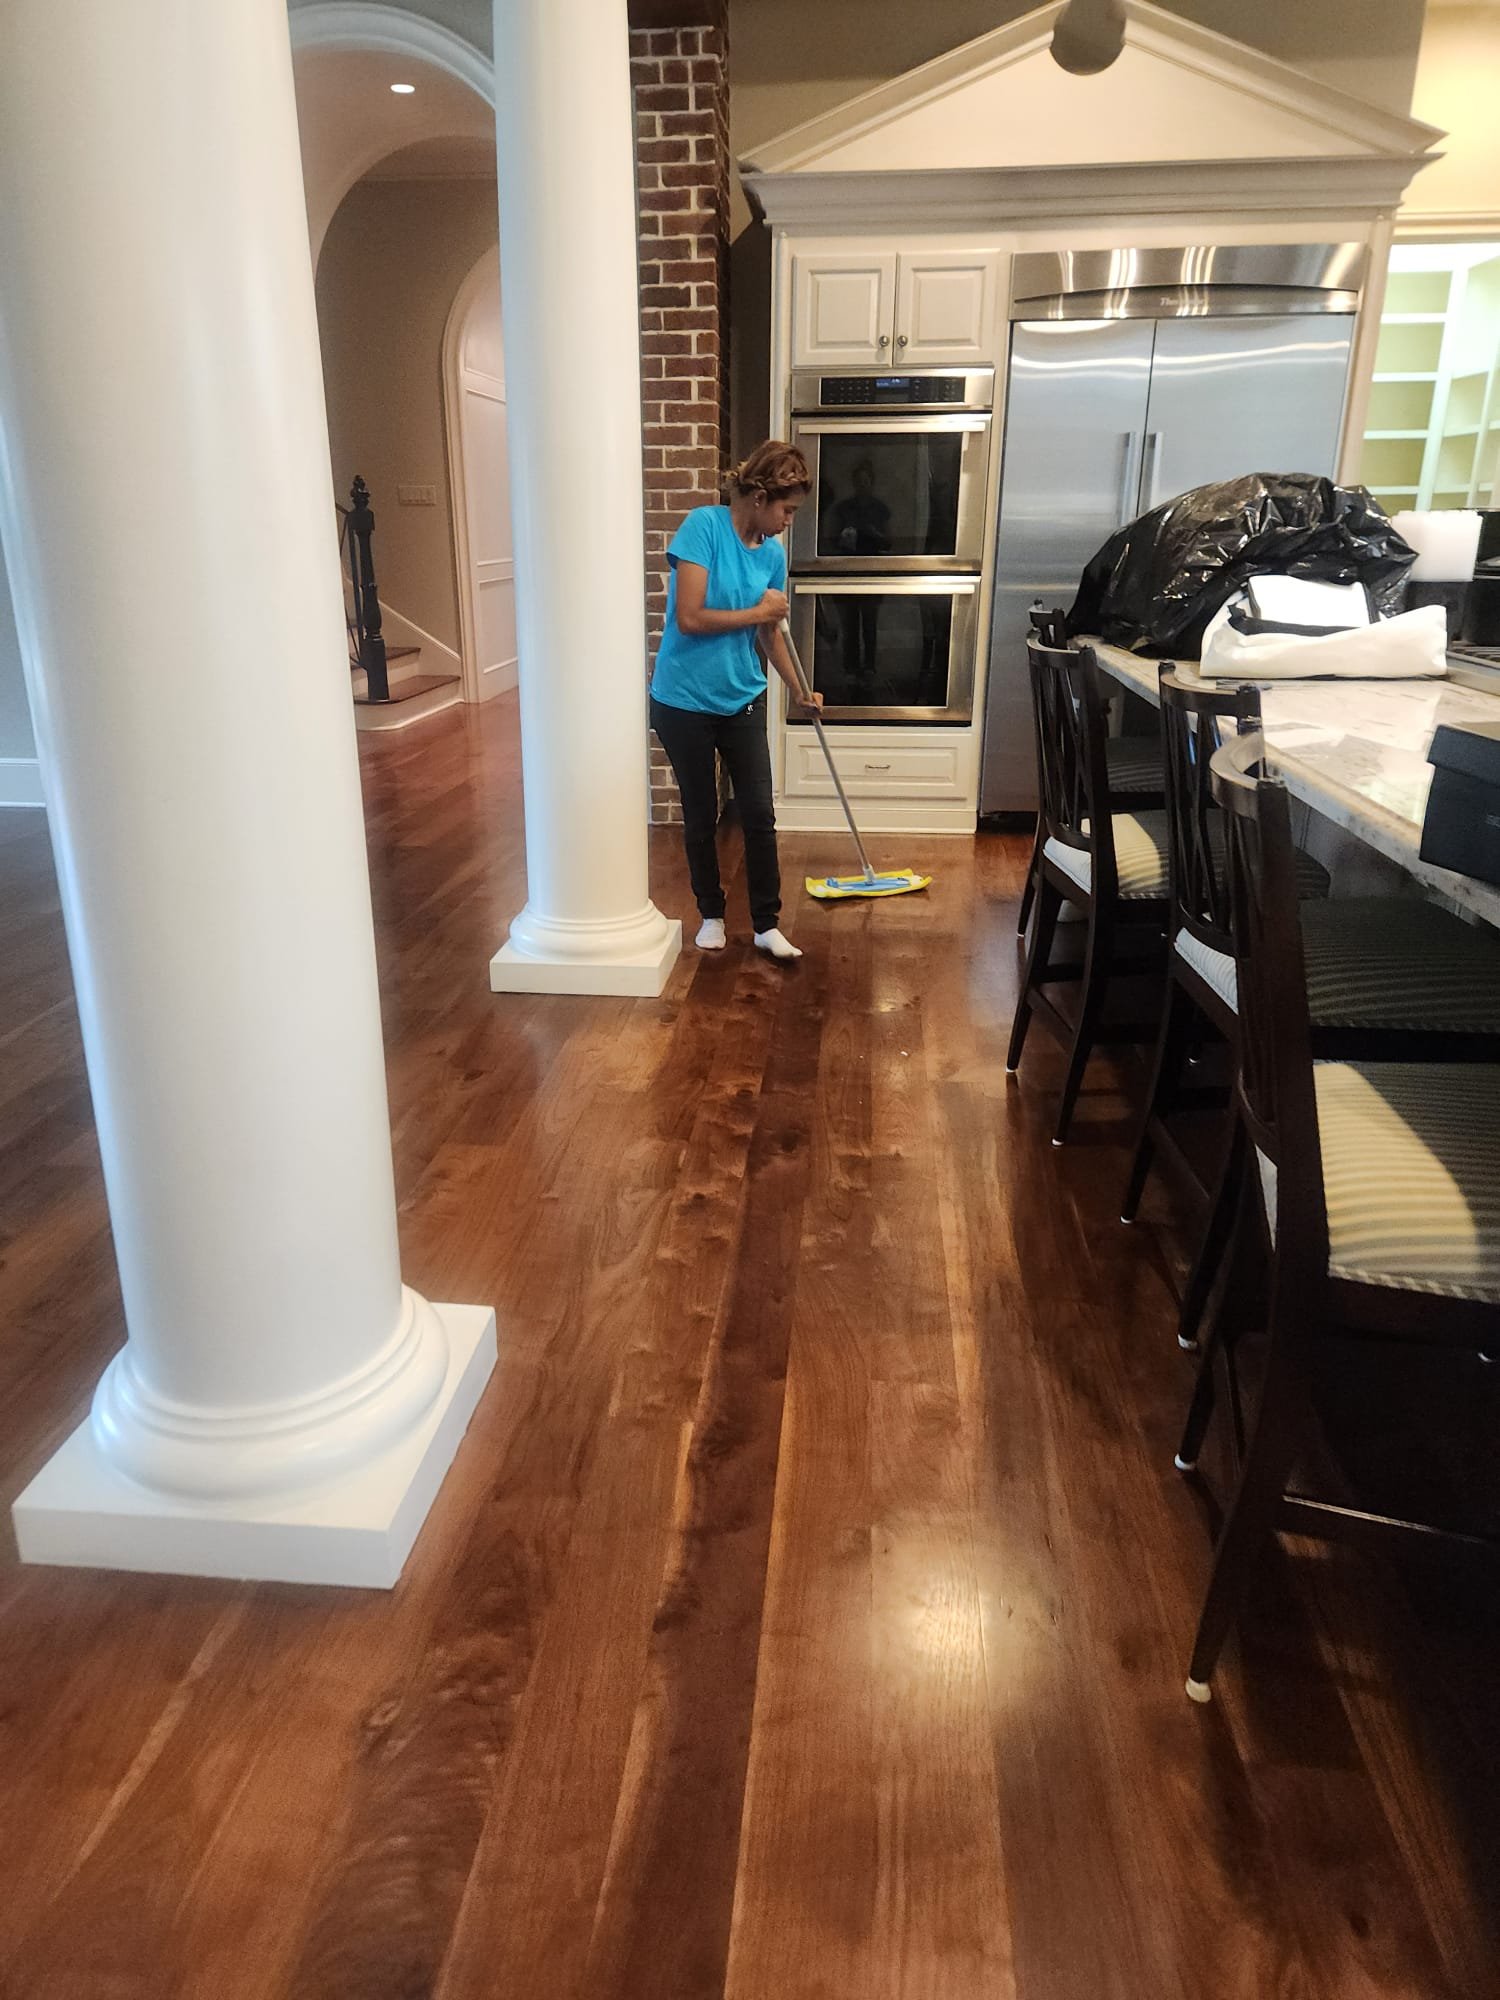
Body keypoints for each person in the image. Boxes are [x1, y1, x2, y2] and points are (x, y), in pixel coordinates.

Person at [649, 441, 820, 961]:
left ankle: (767, 924)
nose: (789, 521)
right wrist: (759, 612)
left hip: (742, 697)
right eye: (787, 510)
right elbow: (690, 618)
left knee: (759, 813)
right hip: (683, 701)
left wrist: (799, 689)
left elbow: (770, 635)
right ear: (760, 498)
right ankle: (711, 914)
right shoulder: (703, 528)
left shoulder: (771, 555)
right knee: (702, 814)